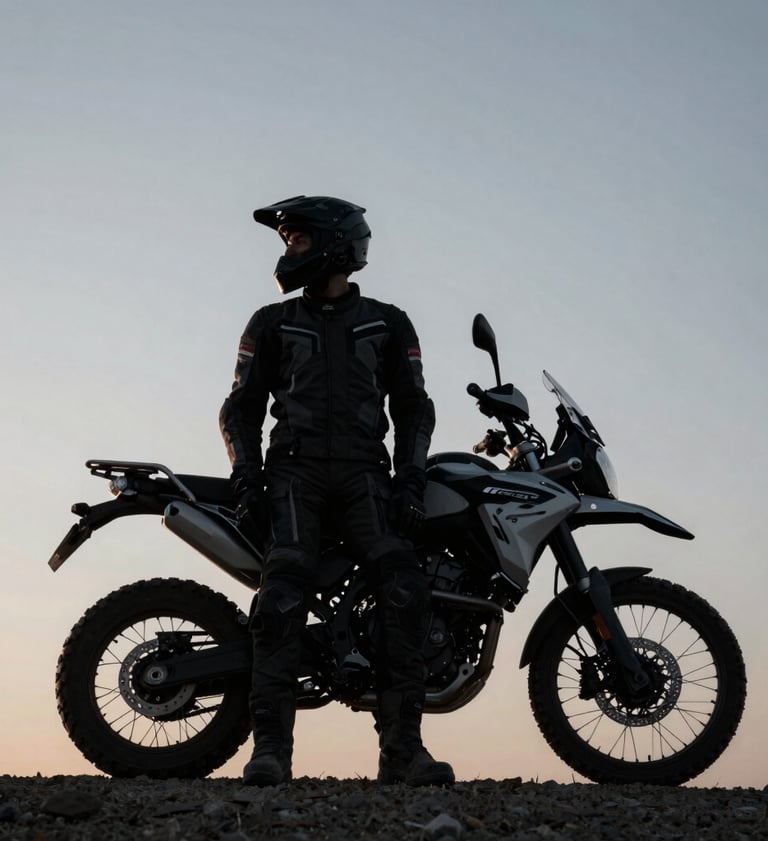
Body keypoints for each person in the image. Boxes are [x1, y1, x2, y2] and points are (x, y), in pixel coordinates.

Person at [219, 195, 455, 788]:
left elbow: (414, 409)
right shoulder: (271, 323)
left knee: (405, 590)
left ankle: (404, 753)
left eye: (297, 240)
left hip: (365, 477)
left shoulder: (388, 320)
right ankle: (269, 752)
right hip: (294, 477)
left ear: (334, 245)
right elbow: (240, 410)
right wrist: (247, 477)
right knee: (279, 602)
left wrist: (411, 478)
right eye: (287, 241)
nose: (288, 250)